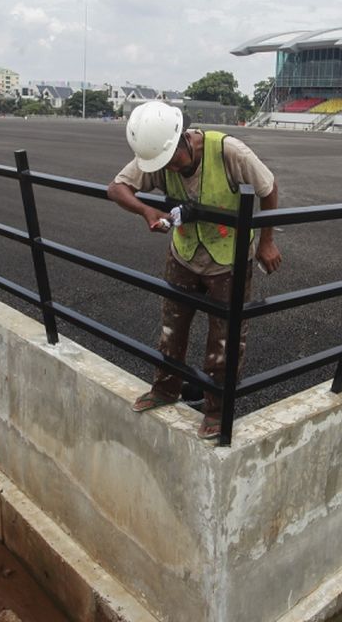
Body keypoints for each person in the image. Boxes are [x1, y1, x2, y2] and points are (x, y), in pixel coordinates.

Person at [106, 102, 282, 439]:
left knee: (225, 338)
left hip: (229, 258)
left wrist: (266, 241)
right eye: (164, 164)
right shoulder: (157, 155)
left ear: (185, 138)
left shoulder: (229, 151)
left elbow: (269, 188)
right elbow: (116, 188)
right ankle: (165, 388)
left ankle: (216, 409)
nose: (170, 167)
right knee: (172, 328)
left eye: (175, 159)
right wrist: (145, 210)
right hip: (184, 254)